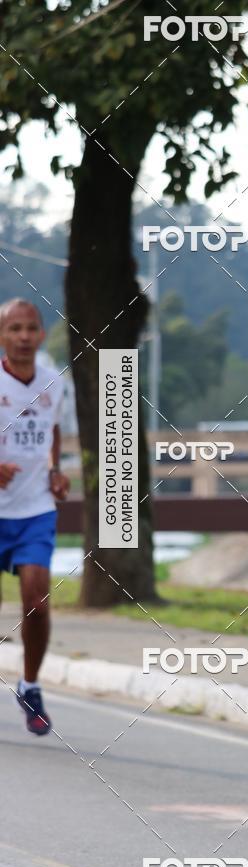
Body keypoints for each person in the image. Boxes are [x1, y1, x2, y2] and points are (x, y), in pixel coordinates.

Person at [0, 297, 70, 736]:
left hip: (35, 509)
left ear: (41, 334)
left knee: (37, 599)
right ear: (3, 336)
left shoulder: (53, 383)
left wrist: (56, 469)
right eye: (15, 329)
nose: (24, 337)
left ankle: (30, 685)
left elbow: (53, 430)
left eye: (31, 328)